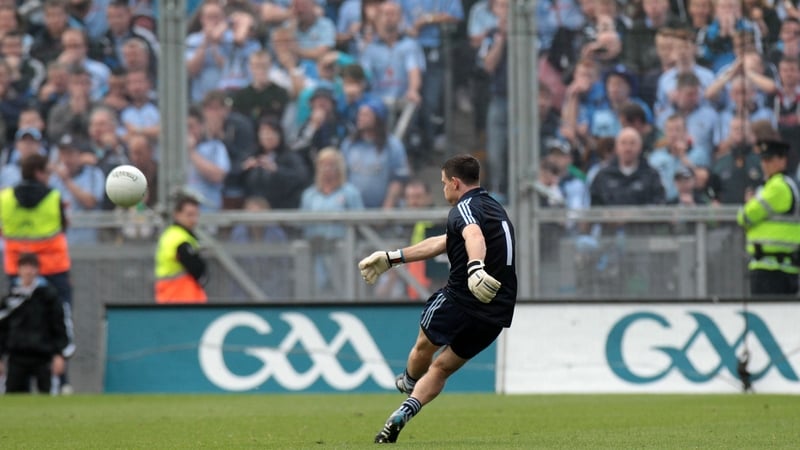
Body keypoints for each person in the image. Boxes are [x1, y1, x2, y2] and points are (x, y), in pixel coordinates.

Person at [358, 154, 517, 444]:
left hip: (461, 298)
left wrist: (474, 267)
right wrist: (393, 258)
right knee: (443, 368)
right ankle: (402, 413)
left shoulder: (462, 210)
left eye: (444, 183)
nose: (443, 189)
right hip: (496, 311)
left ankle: (407, 381)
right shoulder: (493, 207)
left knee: (423, 345)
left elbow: (472, 236)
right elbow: (446, 241)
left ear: (455, 183)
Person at [0, 153, 76, 391]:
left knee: (16, 323)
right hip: (53, 269)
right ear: (40, 173)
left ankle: (11, 378)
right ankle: (62, 381)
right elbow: (64, 225)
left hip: (17, 269)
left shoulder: (5, 198)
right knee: (59, 321)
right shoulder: (54, 197)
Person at [736, 139, 800, 295]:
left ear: (782, 160)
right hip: (779, 266)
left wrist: (749, 203)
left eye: (770, 160)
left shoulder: (777, 187)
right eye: (763, 159)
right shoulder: (783, 184)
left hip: (772, 269)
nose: (765, 164)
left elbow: (745, 217)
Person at [0, 253, 69, 394]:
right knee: (13, 399)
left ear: (37, 270)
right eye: (24, 267)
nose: (28, 271)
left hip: (43, 357)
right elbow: (2, 330)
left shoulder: (49, 296)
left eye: (32, 267)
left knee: (47, 398)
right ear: (18, 270)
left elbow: (59, 326)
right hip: (16, 357)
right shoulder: (11, 299)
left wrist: (59, 354)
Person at [154, 193, 208, 303]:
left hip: (176, 295)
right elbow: (196, 267)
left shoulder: (174, 235)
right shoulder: (178, 238)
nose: (194, 220)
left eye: (196, 215)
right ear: (177, 215)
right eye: (189, 215)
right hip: (179, 297)